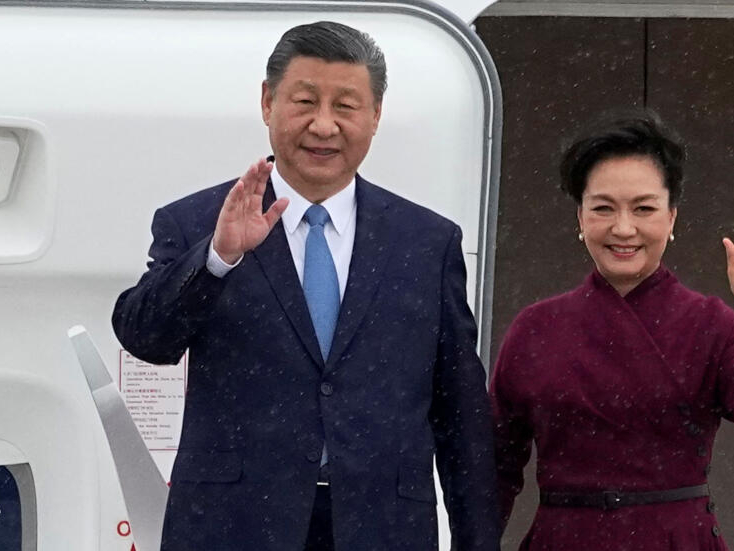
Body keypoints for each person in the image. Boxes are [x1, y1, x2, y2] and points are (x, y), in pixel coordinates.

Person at [112, 21, 499, 551]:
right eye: (305, 101)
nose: (324, 125)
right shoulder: (199, 221)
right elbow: (145, 338)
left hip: (382, 526)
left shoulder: (426, 242)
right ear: (268, 102)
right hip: (235, 525)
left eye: (346, 106)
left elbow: (460, 413)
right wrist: (219, 257)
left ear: (376, 115)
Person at [490, 112, 734, 550]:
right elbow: (494, 465)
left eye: (643, 208)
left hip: (675, 537)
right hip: (565, 537)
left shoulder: (708, 322)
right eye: (602, 208)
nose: (623, 228)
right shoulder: (536, 329)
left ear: (671, 218)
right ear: (580, 217)